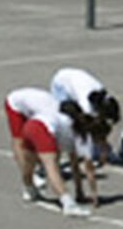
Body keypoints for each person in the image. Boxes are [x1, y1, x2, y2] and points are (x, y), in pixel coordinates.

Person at [5, 87, 95, 217]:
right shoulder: (76, 135)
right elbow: (75, 165)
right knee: (51, 166)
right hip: (40, 126)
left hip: (31, 125)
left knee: (30, 164)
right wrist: (79, 192)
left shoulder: (62, 118)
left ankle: (29, 188)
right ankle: (68, 204)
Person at [50, 67, 120, 160]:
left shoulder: (105, 97)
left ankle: (96, 148)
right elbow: (84, 126)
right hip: (60, 84)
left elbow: (102, 125)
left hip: (73, 80)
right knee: (66, 121)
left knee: (94, 126)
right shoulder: (86, 105)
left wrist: (102, 140)